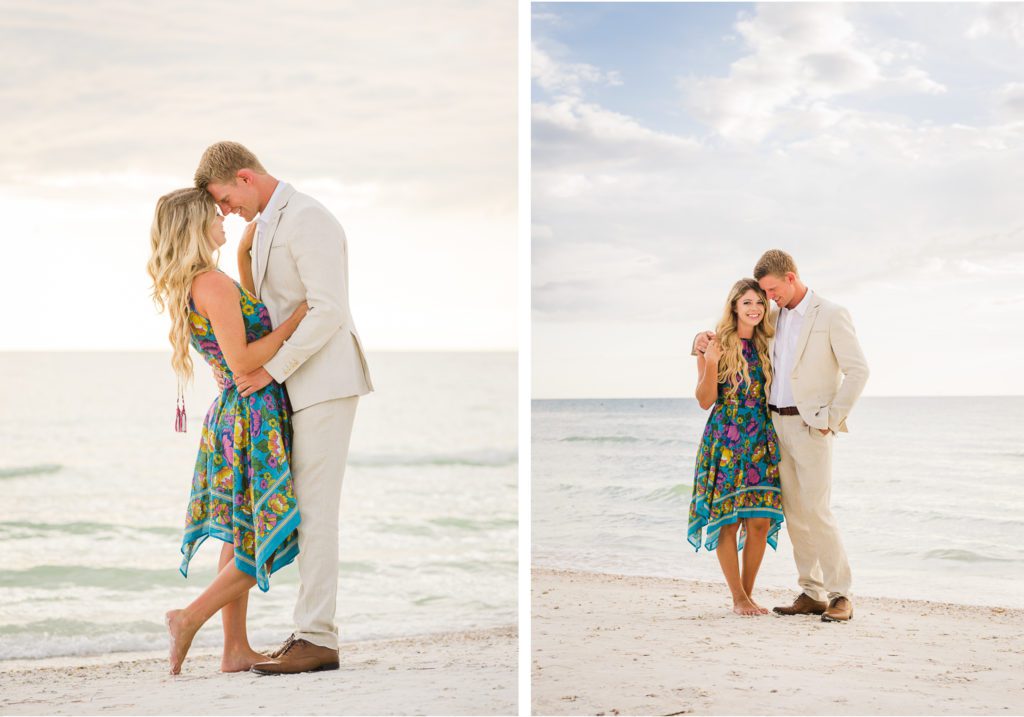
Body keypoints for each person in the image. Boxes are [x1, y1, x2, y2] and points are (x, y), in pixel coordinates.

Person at [195, 142, 374, 674]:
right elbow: (272, 306)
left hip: (323, 381)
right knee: (299, 510)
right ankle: (304, 633)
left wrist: (266, 370)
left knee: (316, 513)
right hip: (292, 387)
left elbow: (328, 311)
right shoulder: (267, 223)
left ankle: (317, 637)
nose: (225, 211)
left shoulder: (309, 217)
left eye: (226, 199)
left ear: (245, 178)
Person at [147, 187, 309, 674]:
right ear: (196, 226)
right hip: (251, 415)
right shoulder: (210, 284)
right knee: (270, 535)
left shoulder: (200, 282)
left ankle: (234, 650)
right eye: (217, 217)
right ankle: (189, 617)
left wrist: (242, 255)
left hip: (235, 415)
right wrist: (297, 321)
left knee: (241, 535)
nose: (225, 220)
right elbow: (243, 360)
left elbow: (240, 322)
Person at [693, 249, 869, 622]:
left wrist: (832, 418)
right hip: (770, 428)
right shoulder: (774, 319)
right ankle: (812, 591)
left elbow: (858, 371)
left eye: (771, 290)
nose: (767, 299)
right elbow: (732, 329)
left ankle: (841, 594)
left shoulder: (831, 314)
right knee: (793, 514)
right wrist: (701, 340)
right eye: (762, 295)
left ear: (791, 277)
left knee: (817, 510)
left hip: (809, 425)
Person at [687, 278, 785, 616]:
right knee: (728, 519)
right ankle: (738, 598)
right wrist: (709, 359)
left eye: (760, 302)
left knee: (759, 521)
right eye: (747, 303)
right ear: (734, 306)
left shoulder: (768, 343)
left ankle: (748, 595)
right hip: (726, 439)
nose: (755, 308)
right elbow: (704, 401)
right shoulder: (715, 343)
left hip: (760, 439)